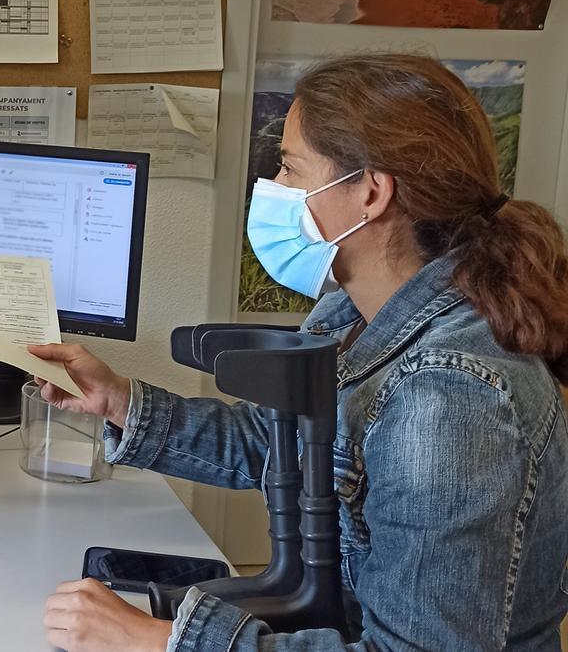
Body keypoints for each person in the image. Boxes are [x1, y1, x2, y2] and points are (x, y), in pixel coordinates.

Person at [32, 54, 568, 651]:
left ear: (370, 191)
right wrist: (120, 400)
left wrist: (162, 644)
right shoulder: (351, 315)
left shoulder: (450, 397)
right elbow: (277, 446)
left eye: (289, 168)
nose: (273, 190)